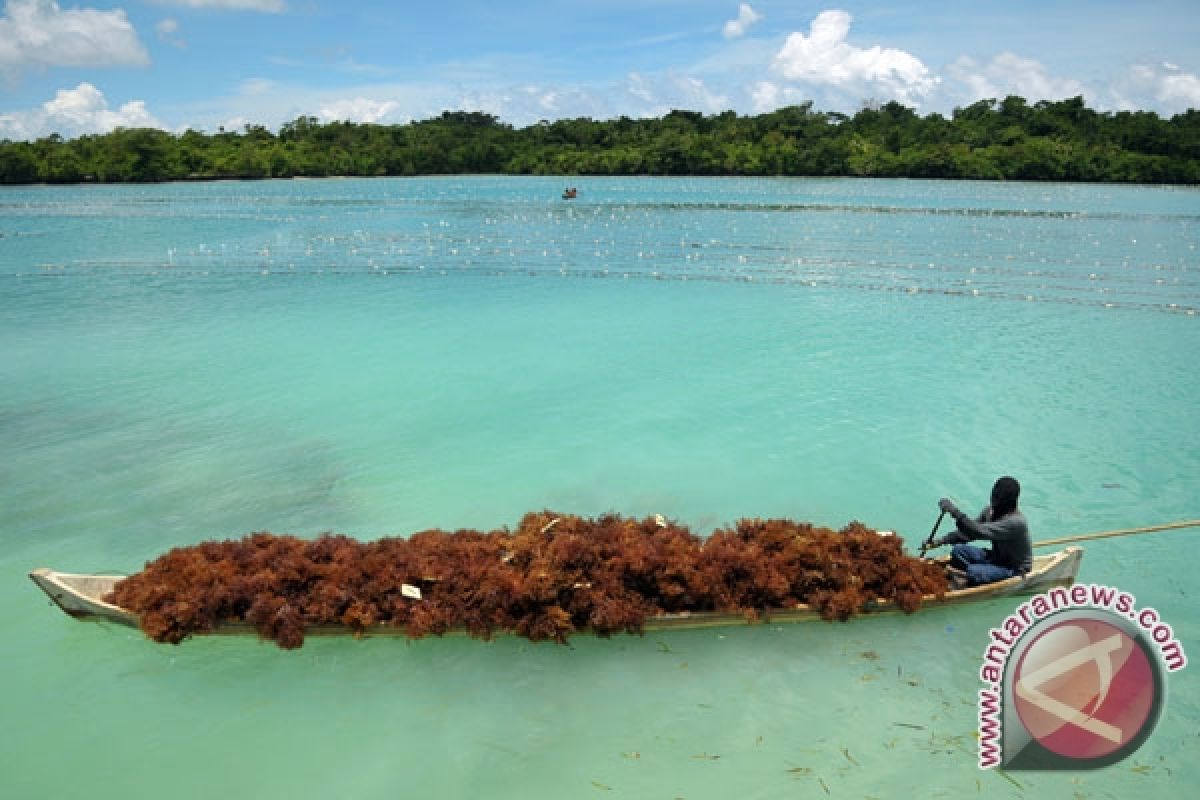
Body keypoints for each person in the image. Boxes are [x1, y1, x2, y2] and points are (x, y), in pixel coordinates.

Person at [931, 476, 1032, 587]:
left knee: (974, 571)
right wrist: (940, 541)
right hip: (996, 558)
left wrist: (954, 512)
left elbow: (978, 532)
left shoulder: (1016, 522)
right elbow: (968, 533)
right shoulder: (990, 511)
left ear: (1011, 501)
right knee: (958, 550)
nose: (994, 500)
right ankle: (966, 575)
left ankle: (964, 577)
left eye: (999, 498)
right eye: (994, 495)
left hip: (1014, 568)